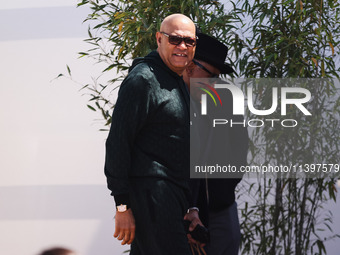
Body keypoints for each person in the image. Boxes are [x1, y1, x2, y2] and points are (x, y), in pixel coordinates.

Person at [104, 14, 197, 255]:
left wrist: (191, 207)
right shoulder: (143, 80)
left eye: (190, 41)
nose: (183, 47)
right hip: (152, 198)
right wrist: (122, 206)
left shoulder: (176, 79)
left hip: (171, 199)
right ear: (159, 38)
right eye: (175, 39)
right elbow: (118, 142)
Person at [183, 32, 248, 255]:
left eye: (217, 78)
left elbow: (240, 144)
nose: (214, 83)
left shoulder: (227, 96)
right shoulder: (171, 96)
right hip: (184, 210)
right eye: (211, 76)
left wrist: (226, 185)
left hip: (221, 203)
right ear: (191, 66)